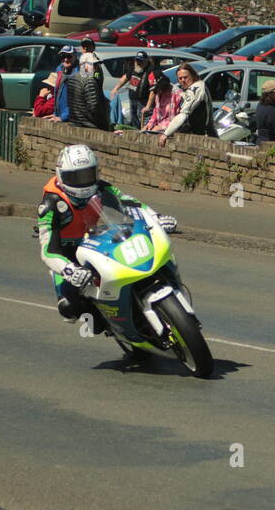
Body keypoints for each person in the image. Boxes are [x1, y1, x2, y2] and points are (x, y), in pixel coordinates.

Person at [37, 145, 178, 332]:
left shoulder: (102, 187)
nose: (83, 183)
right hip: (68, 255)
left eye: (87, 175)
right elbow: (48, 251)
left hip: (100, 241)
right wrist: (69, 270)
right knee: (69, 308)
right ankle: (109, 322)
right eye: (75, 178)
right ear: (62, 176)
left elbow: (130, 202)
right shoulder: (50, 204)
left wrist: (156, 217)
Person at [158, 62, 214, 143]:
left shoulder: (195, 89)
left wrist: (166, 134)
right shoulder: (198, 86)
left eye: (185, 77)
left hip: (202, 137)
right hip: (202, 135)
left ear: (193, 75)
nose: (183, 81)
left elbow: (183, 115)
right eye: (180, 78)